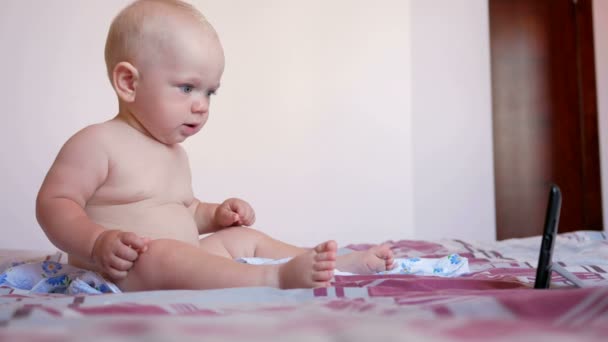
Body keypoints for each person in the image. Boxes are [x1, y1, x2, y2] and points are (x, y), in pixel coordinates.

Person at [36, 0, 394, 292]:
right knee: (162, 253)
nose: (202, 104)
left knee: (242, 238)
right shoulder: (97, 142)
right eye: (187, 87)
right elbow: (54, 204)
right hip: (127, 269)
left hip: (184, 258)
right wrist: (97, 243)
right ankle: (273, 278)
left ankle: (318, 259)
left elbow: (185, 211)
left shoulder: (175, 154)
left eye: (210, 91)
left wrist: (216, 214)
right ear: (129, 82)